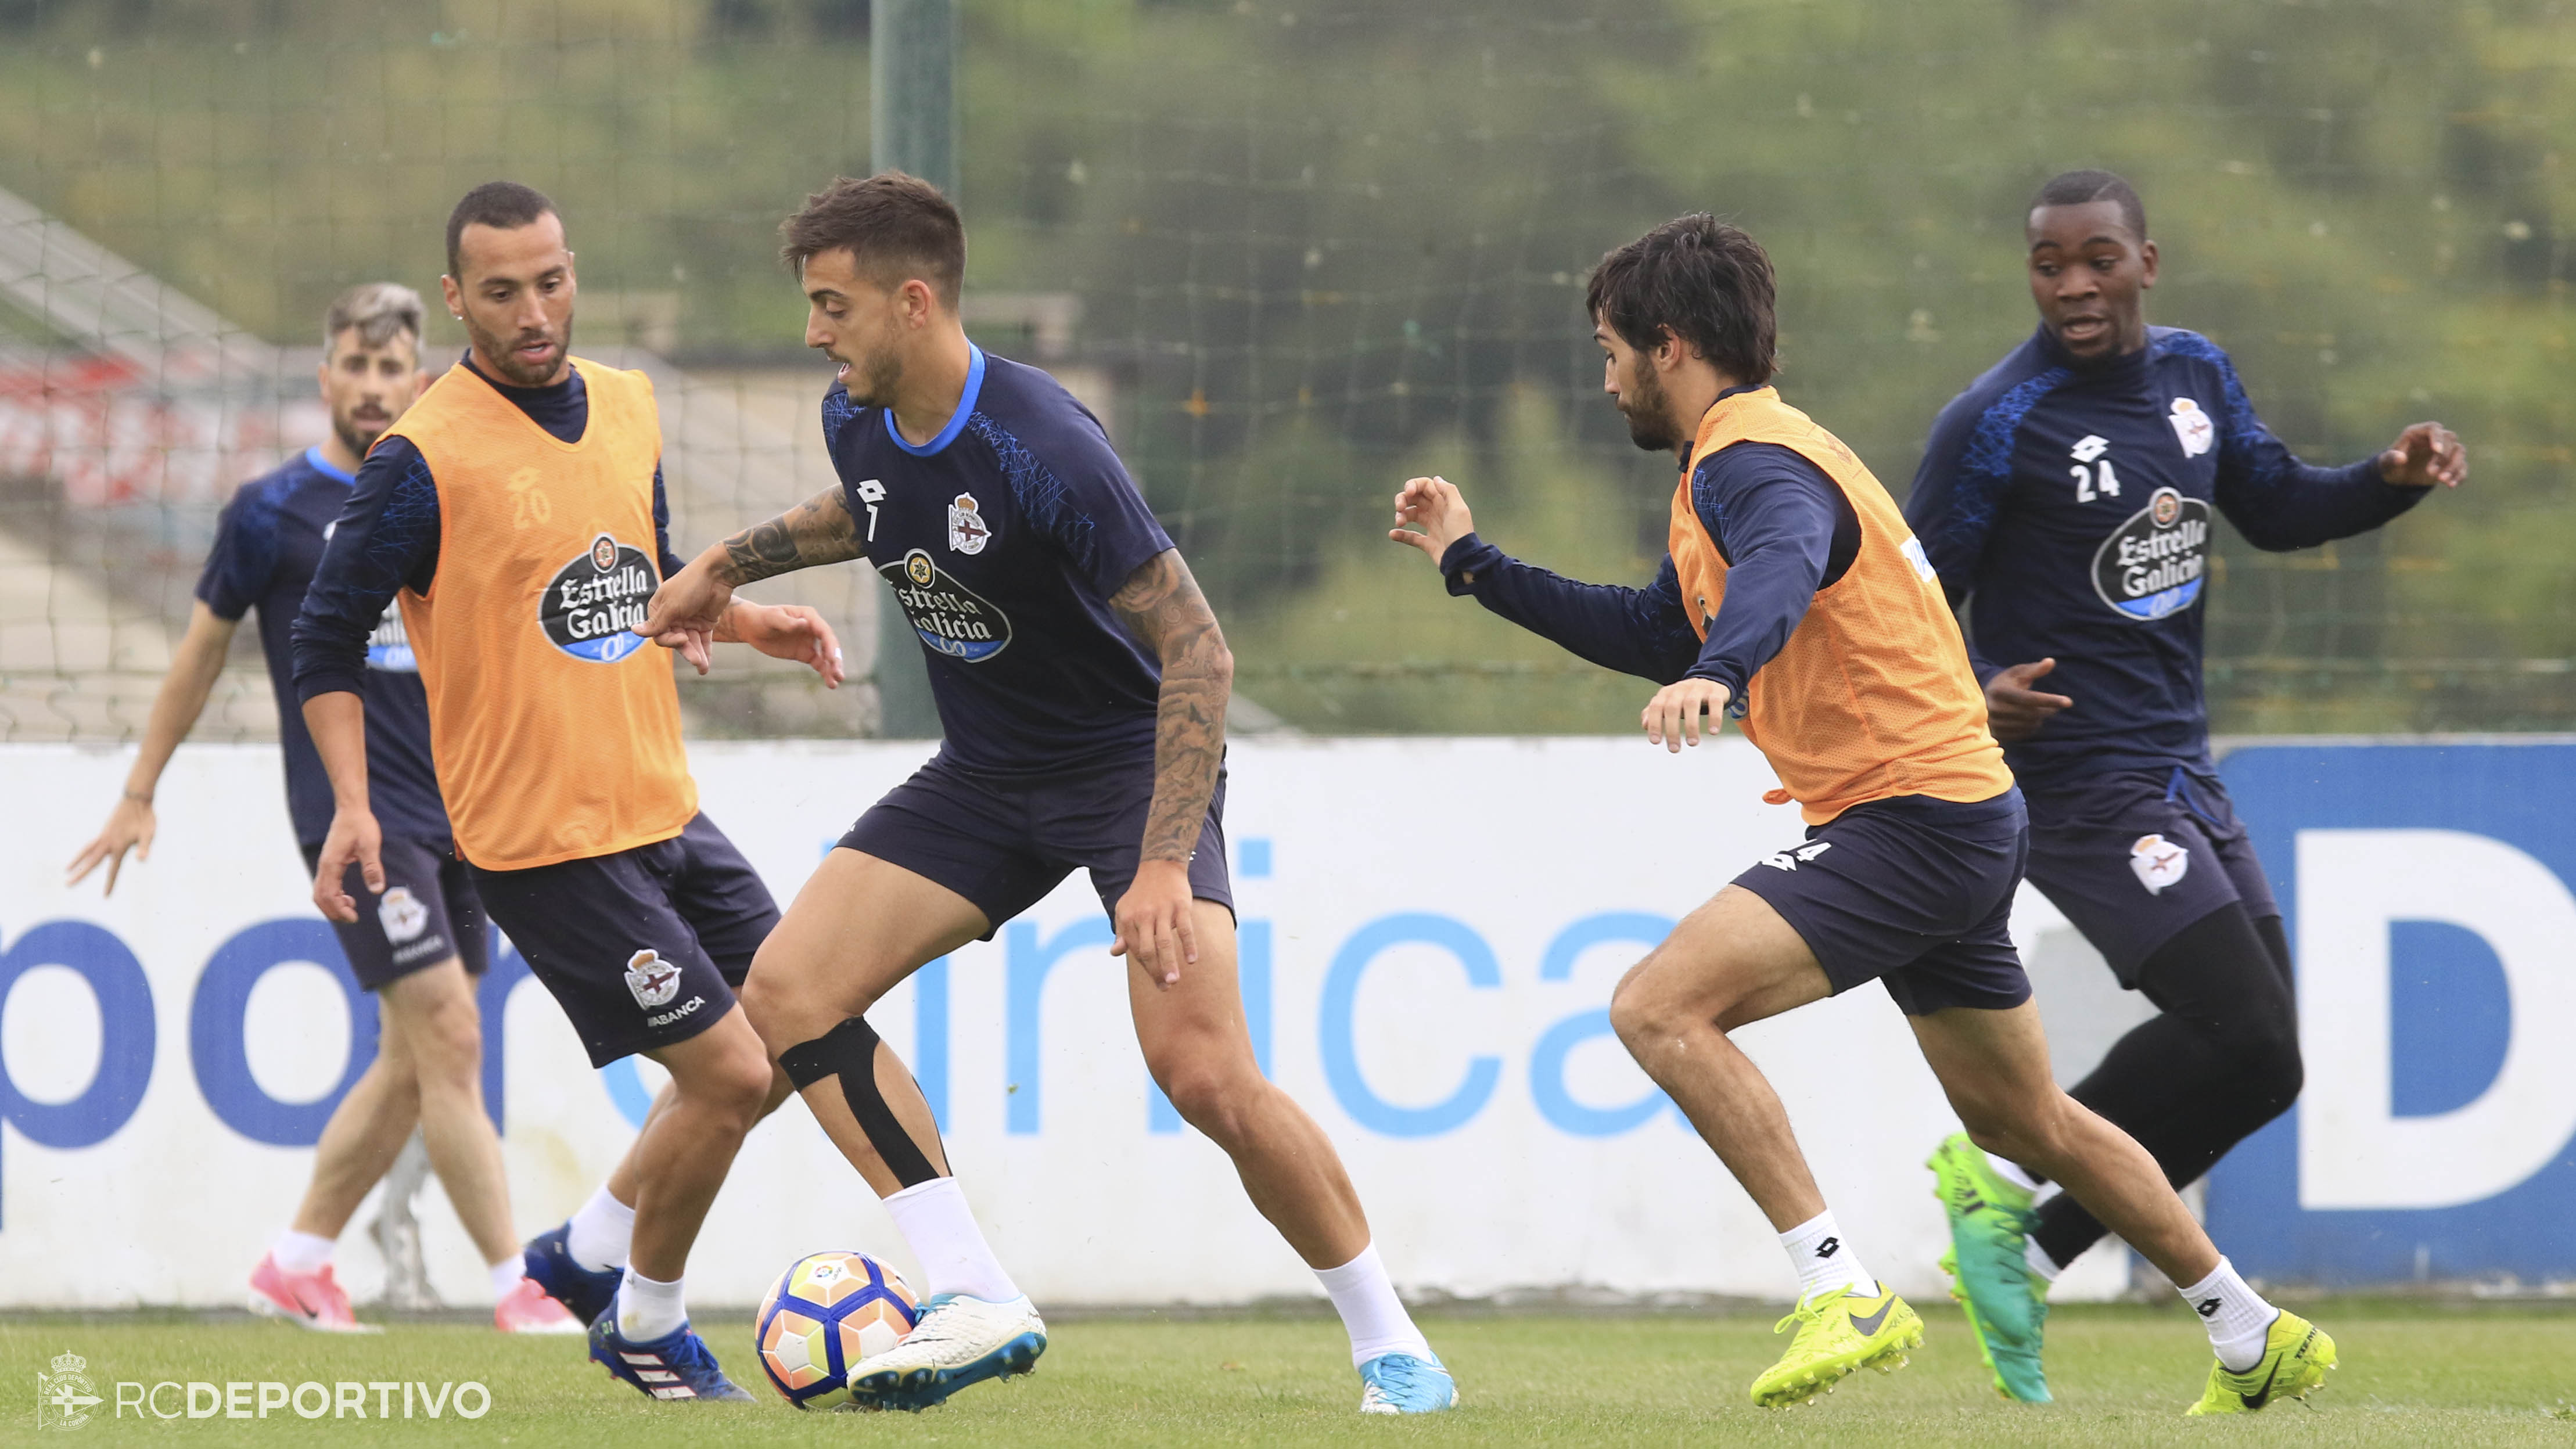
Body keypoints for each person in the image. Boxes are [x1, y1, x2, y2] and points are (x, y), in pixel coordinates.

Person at [1386, 213, 2337, 1416]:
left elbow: (1782, 560)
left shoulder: (1748, 465)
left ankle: (1837, 1289)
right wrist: (1473, 565)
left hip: (1913, 817)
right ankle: (2251, 1331)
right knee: (2030, 1120)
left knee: (1658, 1008)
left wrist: (1724, 676)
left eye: (1611, 349)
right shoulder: (1746, 457)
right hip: (1962, 812)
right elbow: (1650, 631)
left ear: (1670, 346)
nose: (1607, 374)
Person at [634, 172, 1458, 1416]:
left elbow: (1201, 650)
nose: (814, 331)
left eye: (831, 305)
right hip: (985, 774)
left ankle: (1392, 1342)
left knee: (1206, 1079)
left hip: (1129, 771)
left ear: (913, 302)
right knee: (789, 994)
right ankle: (973, 1290)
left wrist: (1164, 865)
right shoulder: (853, 414)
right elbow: (865, 509)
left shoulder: (1047, 444)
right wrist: (725, 564)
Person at [1901, 169, 2464, 1403]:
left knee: (2266, 1066)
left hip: (2177, 764)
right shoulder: (1996, 418)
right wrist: (1975, 685)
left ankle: (2031, 1247)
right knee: (2239, 1026)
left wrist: (2387, 479)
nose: (2072, 286)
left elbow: (2271, 505)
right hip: (2072, 778)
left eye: (2096, 259)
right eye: (2049, 264)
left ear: (2146, 262)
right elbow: (1894, 604)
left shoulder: (2194, 375)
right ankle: (1996, 1180)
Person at [290, 182, 844, 1402]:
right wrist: (353, 804)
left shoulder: (630, 405)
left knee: (788, 1038)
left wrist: (748, 621)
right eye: (500, 292)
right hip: (542, 840)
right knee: (732, 1076)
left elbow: (642, 576)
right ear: (455, 299)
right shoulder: (417, 459)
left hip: (661, 803)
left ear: (572, 269)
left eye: (549, 281)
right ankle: (646, 1319)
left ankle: (586, 1254)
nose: (533, 311)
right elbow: (321, 647)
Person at [67, 283, 579, 1337]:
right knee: (450, 1037)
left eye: (394, 369)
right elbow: (200, 656)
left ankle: (297, 1261)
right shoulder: (270, 512)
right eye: (357, 366)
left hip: (462, 813)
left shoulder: (441, 494)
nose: (374, 386)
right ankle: (513, 1283)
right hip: (355, 820)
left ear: (422, 379)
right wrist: (136, 792)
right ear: (326, 379)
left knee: (415, 1062)